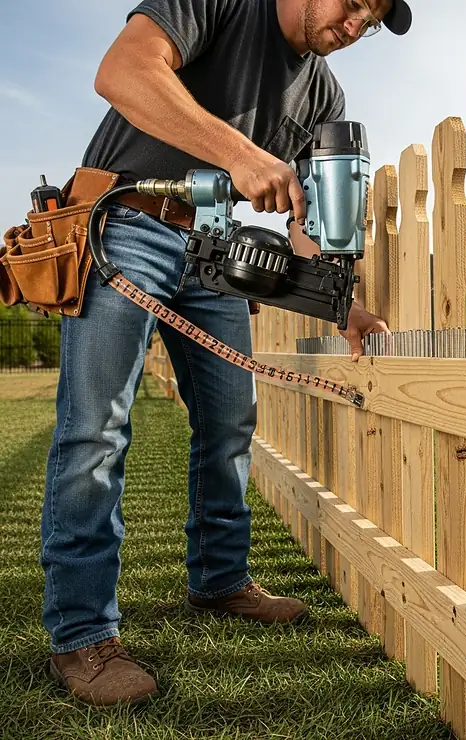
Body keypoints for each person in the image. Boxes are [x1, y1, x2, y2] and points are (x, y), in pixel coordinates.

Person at [41, 0, 411, 708]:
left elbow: (306, 222)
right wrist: (239, 153)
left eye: (372, 18)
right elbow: (122, 71)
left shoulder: (323, 91)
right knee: (96, 430)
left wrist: (343, 304)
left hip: (213, 247)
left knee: (231, 421)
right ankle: (83, 636)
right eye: (354, 2)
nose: (358, 24)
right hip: (125, 223)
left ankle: (219, 579)